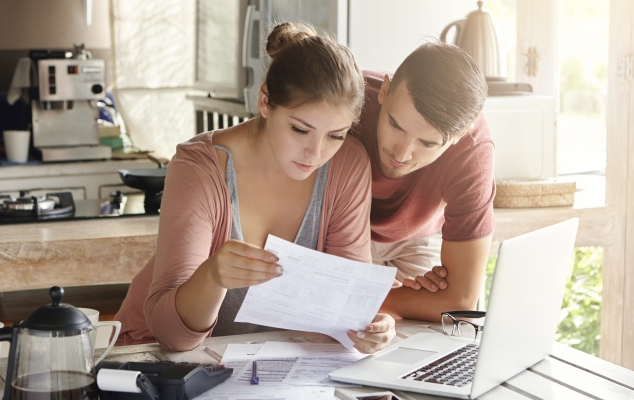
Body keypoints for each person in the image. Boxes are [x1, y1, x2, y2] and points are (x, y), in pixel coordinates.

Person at [114, 22, 395, 354]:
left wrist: (369, 327)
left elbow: (341, 309)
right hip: (156, 359)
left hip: (263, 365)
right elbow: (172, 338)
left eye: (335, 135)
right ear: (265, 102)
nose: (315, 153)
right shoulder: (199, 168)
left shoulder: (348, 165)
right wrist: (212, 277)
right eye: (300, 130)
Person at [349, 42, 495, 322]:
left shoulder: (473, 150)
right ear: (384, 90)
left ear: (458, 136)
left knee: (430, 336)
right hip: (340, 230)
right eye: (395, 125)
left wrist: (361, 297)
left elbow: (460, 303)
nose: (401, 154)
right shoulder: (348, 98)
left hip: (416, 238)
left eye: (427, 143)